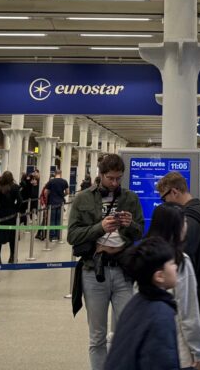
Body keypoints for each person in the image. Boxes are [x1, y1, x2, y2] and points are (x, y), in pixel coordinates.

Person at [68, 153, 144, 370]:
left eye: (119, 178)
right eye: (111, 178)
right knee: (97, 335)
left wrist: (129, 225)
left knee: (126, 331)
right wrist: (100, 228)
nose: (115, 183)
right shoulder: (83, 198)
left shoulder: (130, 198)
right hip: (94, 271)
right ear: (100, 175)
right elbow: (72, 235)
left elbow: (139, 233)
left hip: (123, 271)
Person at [156, 171, 200, 370]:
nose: (163, 202)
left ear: (174, 192)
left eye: (164, 197)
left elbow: (184, 268)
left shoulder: (190, 221)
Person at [103, 237, 180, 370]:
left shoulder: (136, 302)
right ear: (159, 276)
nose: (176, 267)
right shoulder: (161, 314)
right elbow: (162, 362)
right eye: (172, 264)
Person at [146, 203, 200, 370]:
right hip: (175, 346)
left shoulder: (143, 255)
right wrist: (199, 349)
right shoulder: (180, 261)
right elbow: (187, 311)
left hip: (148, 343)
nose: (186, 225)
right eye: (184, 221)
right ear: (176, 227)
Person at [0, 172, 23, 264]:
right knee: (12, 237)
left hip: (0, 214)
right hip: (11, 215)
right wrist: (15, 209)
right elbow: (20, 200)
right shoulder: (15, 187)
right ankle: (12, 256)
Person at [43, 169, 70, 242]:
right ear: (61, 173)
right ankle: (58, 235)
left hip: (52, 203)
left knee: (52, 219)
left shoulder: (51, 181)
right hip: (60, 203)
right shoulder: (64, 181)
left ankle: (52, 236)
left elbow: (45, 192)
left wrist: (50, 195)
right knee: (58, 220)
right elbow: (67, 192)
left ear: (55, 173)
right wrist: (62, 195)